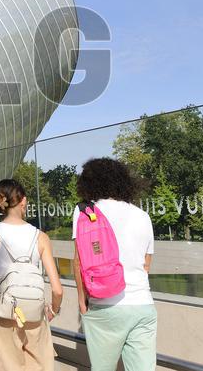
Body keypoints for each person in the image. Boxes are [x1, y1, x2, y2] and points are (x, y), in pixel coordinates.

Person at [72, 158, 156, 371]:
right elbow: (147, 264)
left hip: (105, 305)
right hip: (143, 305)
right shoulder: (142, 215)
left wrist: (82, 300)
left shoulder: (86, 213)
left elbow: (79, 261)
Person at [0, 179, 64, 370]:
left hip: (3, 315)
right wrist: (52, 311)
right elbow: (57, 290)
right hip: (35, 314)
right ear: (23, 201)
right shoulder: (41, 237)